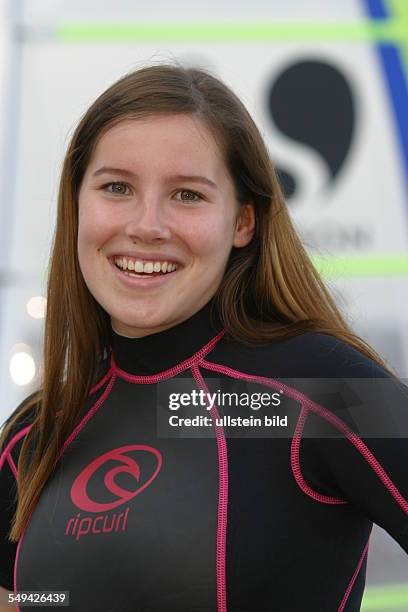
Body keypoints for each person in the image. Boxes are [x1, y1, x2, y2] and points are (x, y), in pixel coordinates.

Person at [0, 62, 407, 612]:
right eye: (116, 187)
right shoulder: (32, 437)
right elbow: (34, 601)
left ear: (243, 221)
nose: (147, 226)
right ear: (77, 206)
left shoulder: (332, 386)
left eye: (187, 195)